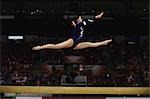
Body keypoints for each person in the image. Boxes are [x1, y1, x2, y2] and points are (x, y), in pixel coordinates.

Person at [32, 12, 112, 50]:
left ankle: (104, 43)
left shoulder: (83, 23)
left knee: (92, 45)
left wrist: (97, 17)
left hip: (78, 43)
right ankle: (41, 47)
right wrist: (74, 23)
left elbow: (92, 20)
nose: (81, 18)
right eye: (80, 17)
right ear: (77, 20)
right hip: (72, 41)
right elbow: (76, 23)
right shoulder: (78, 25)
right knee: (57, 46)